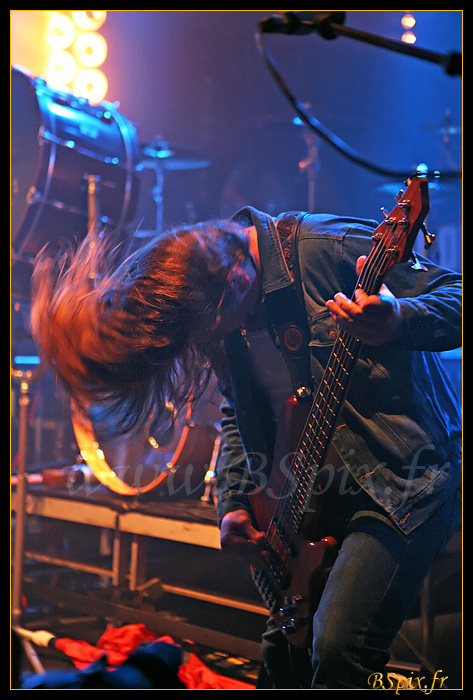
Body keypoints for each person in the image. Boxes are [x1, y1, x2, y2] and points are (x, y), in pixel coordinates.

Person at [30, 201, 462, 689]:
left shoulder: (326, 247)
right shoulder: (214, 306)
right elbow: (237, 412)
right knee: (282, 656)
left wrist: (399, 319)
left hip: (401, 482)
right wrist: (233, 504)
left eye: (210, 330)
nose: (213, 341)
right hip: (315, 499)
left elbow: (458, 294)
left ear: (237, 277)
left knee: (339, 647)